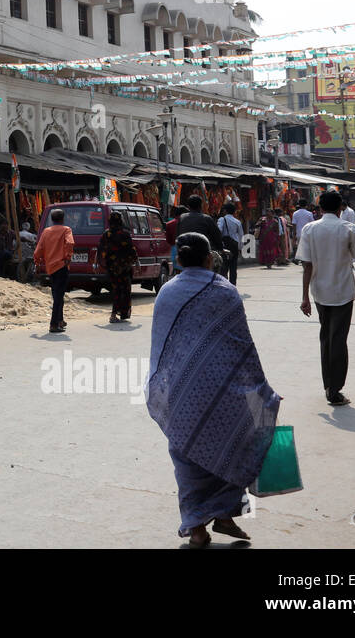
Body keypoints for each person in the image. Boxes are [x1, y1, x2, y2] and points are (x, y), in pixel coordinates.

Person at [147, 232, 281, 547]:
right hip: (225, 390)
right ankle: (222, 515)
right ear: (210, 259)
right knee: (234, 444)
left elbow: (161, 350)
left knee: (187, 458)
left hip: (180, 391)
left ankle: (200, 527)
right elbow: (243, 348)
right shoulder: (225, 291)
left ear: (178, 259)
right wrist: (262, 389)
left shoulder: (166, 292)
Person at [297, 190, 355, 406]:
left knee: (326, 337)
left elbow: (306, 265)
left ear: (319, 208)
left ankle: (329, 384)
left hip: (319, 291)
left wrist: (304, 297)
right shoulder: (348, 228)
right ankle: (334, 389)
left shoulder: (309, 229)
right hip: (343, 291)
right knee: (338, 339)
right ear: (340, 208)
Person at [33, 209, 75, 334]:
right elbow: (70, 243)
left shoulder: (46, 231)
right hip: (61, 266)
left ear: (52, 219)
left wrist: (37, 262)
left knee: (57, 294)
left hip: (50, 267)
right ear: (62, 219)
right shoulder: (66, 230)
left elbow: (38, 250)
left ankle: (60, 320)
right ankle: (54, 323)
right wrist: (68, 257)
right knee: (58, 296)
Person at [97, 211, 137, 323]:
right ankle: (122, 313)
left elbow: (100, 249)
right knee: (125, 290)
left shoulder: (106, 234)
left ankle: (114, 314)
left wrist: (98, 264)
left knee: (116, 290)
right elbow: (132, 250)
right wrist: (136, 263)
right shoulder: (125, 234)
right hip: (125, 268)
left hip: (112, 268)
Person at [177, 195, 224, 275]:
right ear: (201, 206)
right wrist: (220, 248)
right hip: (202, 255)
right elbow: (217, 236)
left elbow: (178, 235)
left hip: (185, 255)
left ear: (188, 206)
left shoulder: (182, 218)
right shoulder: (207, 219)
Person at [217, 202, 244, 288]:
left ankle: (224, 286)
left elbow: (219, 231)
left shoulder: (222, 219)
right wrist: (240, 248)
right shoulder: (237, 222)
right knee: (233, 267)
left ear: (225, 211)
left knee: (223, 267)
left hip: (224, 246)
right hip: (234, 246)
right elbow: (241, 236)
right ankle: (233, 286)